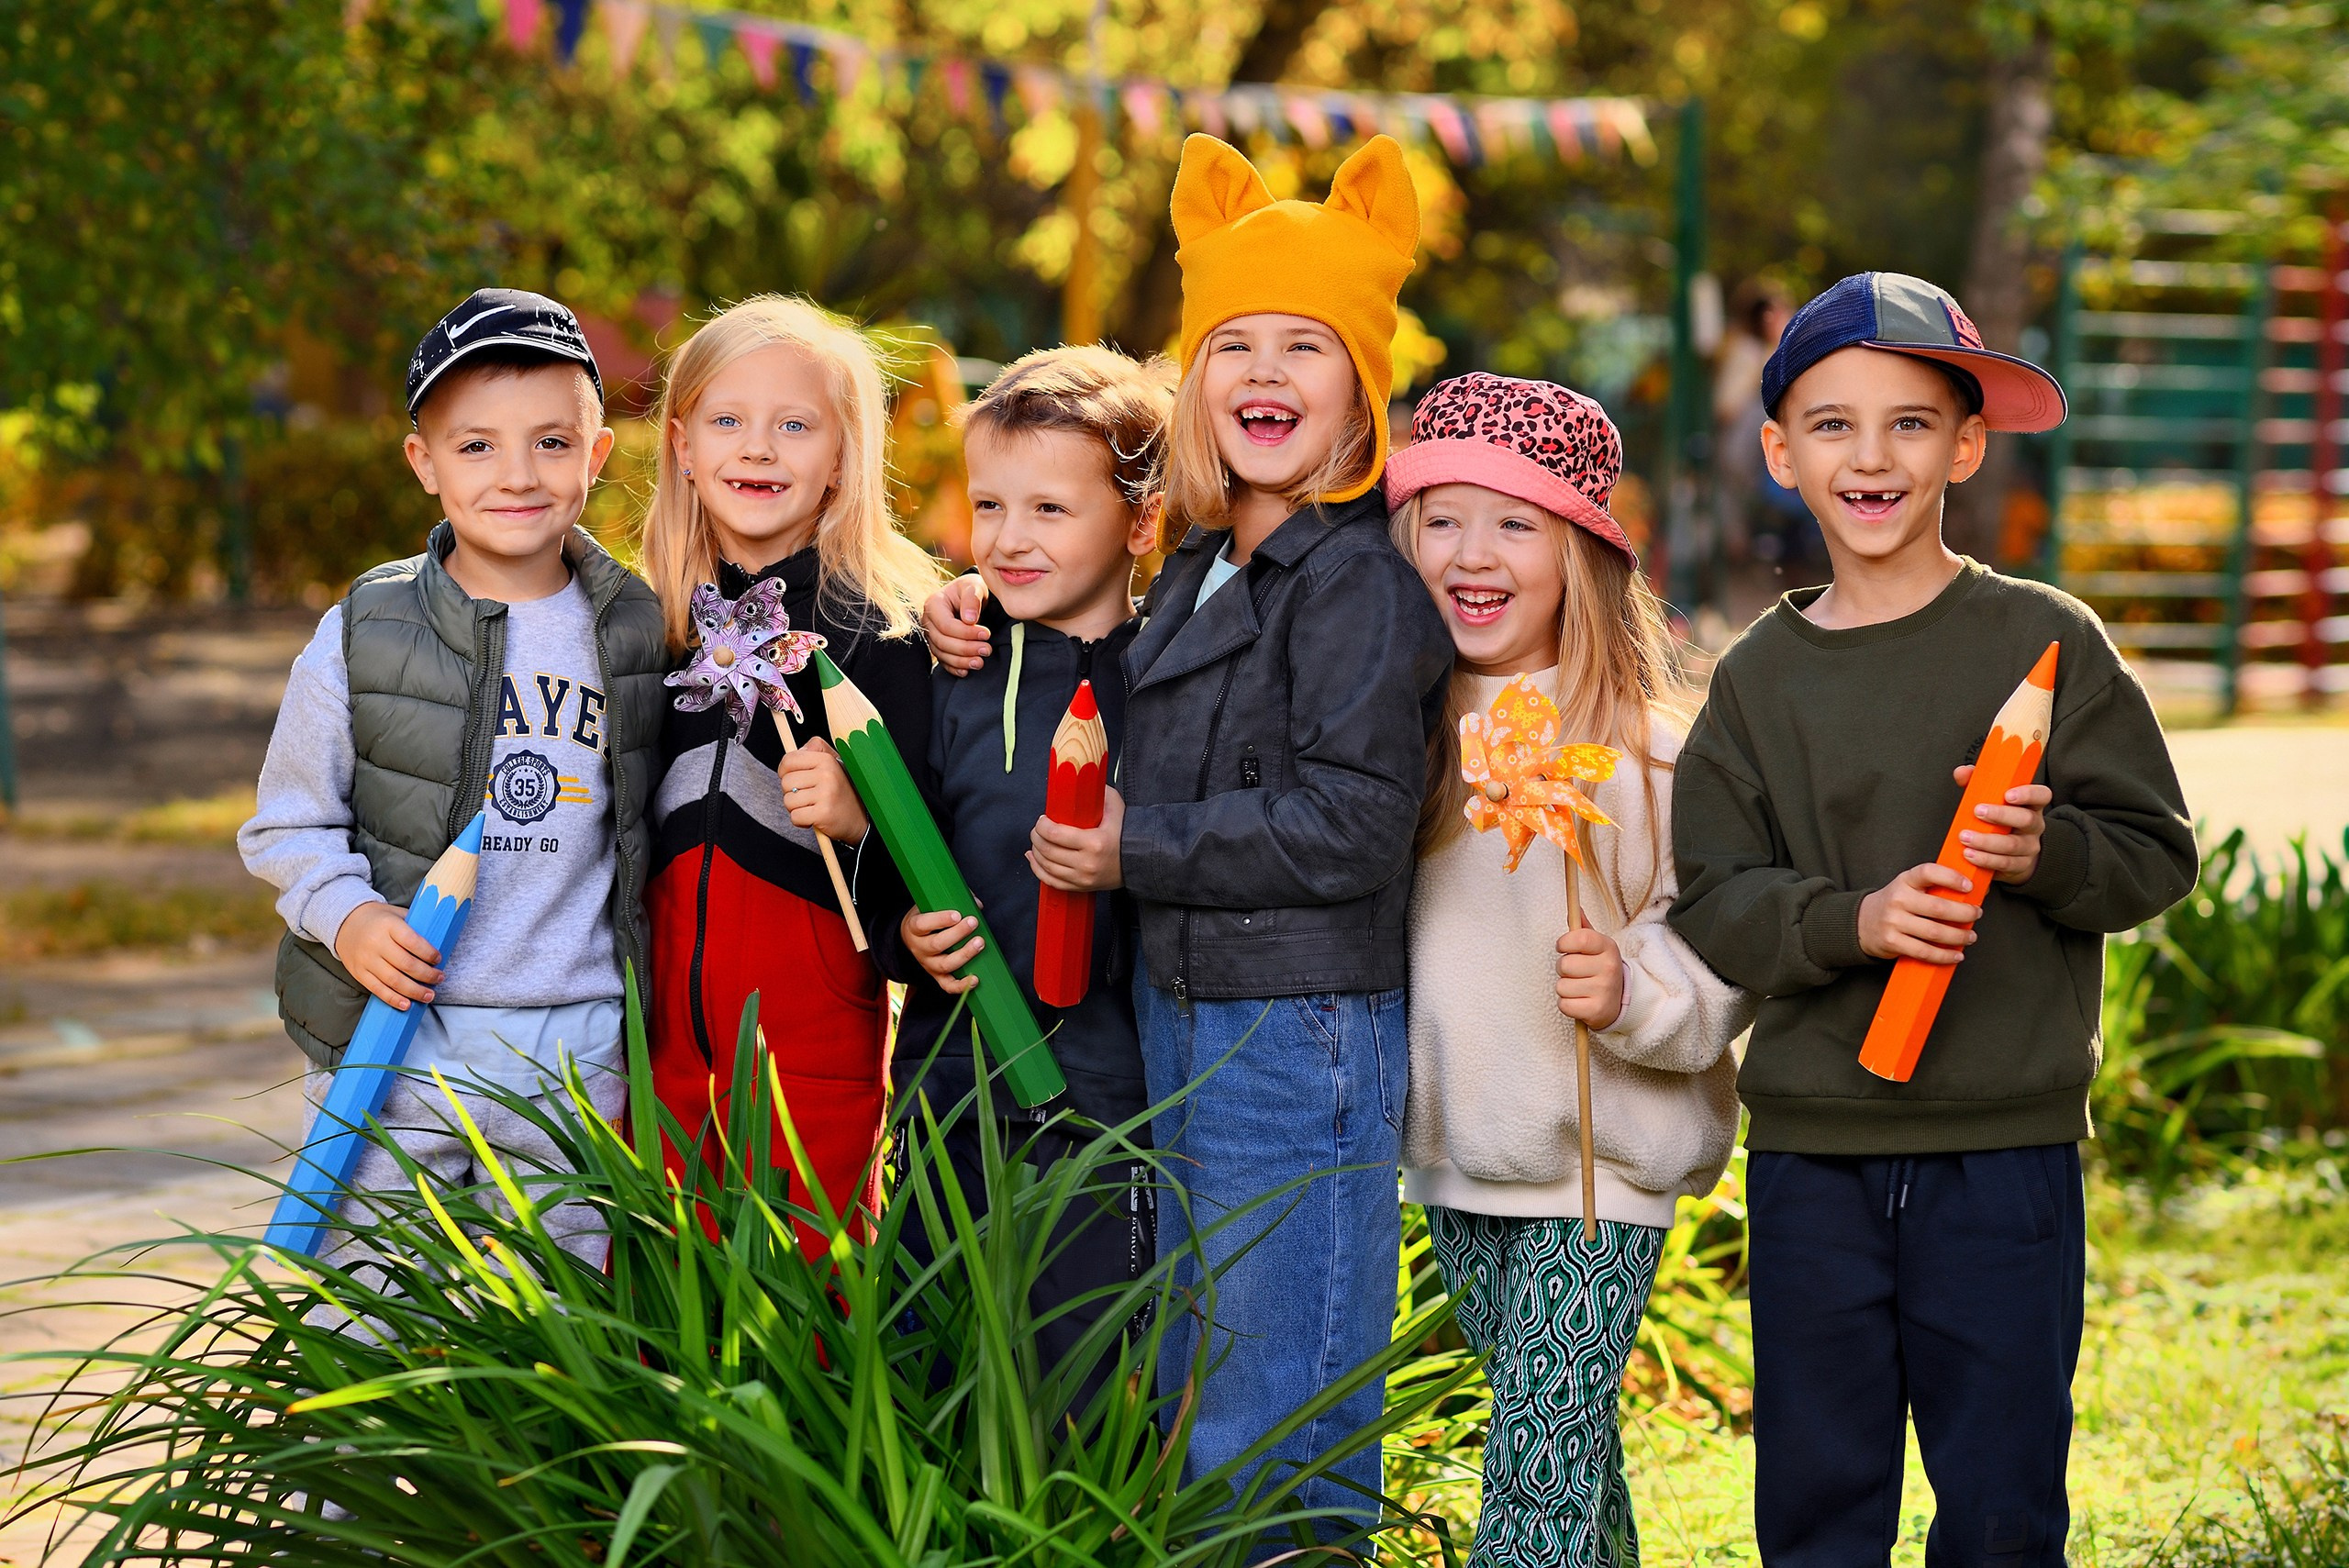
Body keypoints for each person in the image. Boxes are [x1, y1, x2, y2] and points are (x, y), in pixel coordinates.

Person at [924, 135, 1453, 1534]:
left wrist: (1130, 850)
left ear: (1363, 383)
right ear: (1193, 378)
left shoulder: (1356, 584)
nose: (1266, 375)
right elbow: (1076, 614)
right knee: (1202, 1370)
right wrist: (963, 612)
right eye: (1234, 344)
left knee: (1278, 1390)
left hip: (1296, 1024)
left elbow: (1352, 825)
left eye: (1307, 346)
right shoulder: (1206, 570)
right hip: (1186, 1009)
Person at [1666, 272, 2199, 1567]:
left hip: (2001, 1154)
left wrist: (2043, 849)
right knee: (1818, 1492)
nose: (1873, 455)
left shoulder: (2044, 640)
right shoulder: (1755, 682)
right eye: (1835, 423)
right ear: (1781, 452)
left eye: (1911, 423)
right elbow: (1717, 900)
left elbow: (2154, 854)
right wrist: (1860, 920)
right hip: (1815, 1158)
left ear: (1966, 445)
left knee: (2004, 1494)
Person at [1386, 373, 1755, 1568]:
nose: (1471, 551)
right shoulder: (1392, 730)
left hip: (1596, 1164)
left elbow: (1713, 928)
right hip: (1457, 1155)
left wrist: (1636, 989)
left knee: (1531, 1474)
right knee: (1570, 1457)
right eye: (1440, 518)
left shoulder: (1643, 753)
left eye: (1515, 523)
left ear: (1580, 556)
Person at [239, 288, 669, 1261]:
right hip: (395, 1041)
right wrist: (347, 917)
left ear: (597, 455)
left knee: (559, 1316)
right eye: (476, 445)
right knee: (367, 1309)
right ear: (423, 464)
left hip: (577, 1041)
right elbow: (287, 823)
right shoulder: (365, 628)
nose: (517, 474)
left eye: (552, 442)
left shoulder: (638, 627)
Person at [877, 345, 1174, 1417]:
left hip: (1104, 1096)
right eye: (991, 503)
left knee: (1081, 1378)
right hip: (943, 1079)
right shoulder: (947, 666)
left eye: (1051, 507)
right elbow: (890, 841)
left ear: (1140, 522)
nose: (1009, 537)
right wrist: (902, 926)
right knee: (927, 1365)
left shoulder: (1175, 674)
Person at [638, 295, 941, 1235]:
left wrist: (858, 817)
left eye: (795, 425)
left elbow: (934, 872)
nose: (758, 448)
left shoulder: (887, 636)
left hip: (811, 1061)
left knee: (811, 1289)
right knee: (663, 1307)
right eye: (728, 421)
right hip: (657, 1066)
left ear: (844, 456)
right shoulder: (645, 626)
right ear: (683, 445)